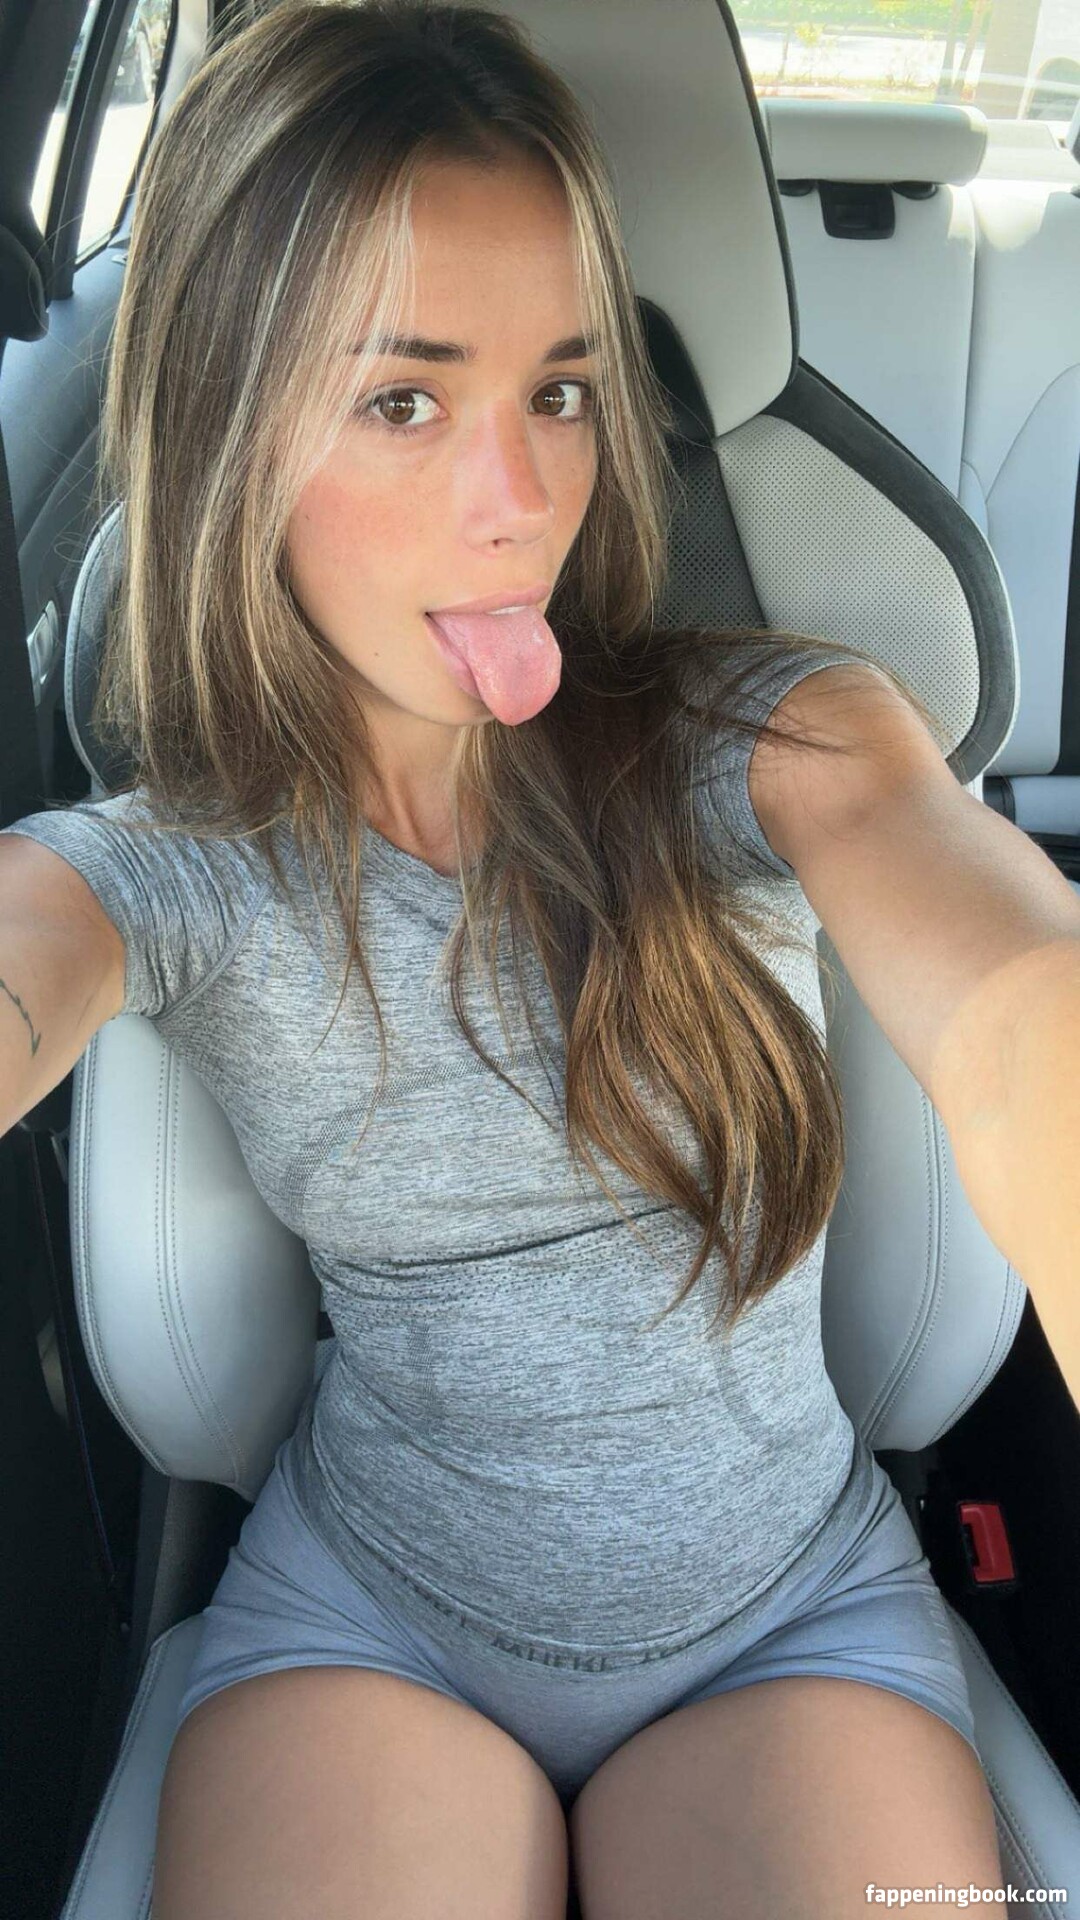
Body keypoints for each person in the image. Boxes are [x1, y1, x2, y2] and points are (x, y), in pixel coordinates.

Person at [0, 3, 1005, 1913]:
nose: (526, 499)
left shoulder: (776, 737)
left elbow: (1024, 992)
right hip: (369, 1634)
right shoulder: (176, 872)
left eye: (561, 391)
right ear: (227, 431)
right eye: (405, 401)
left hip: (795, 1622)